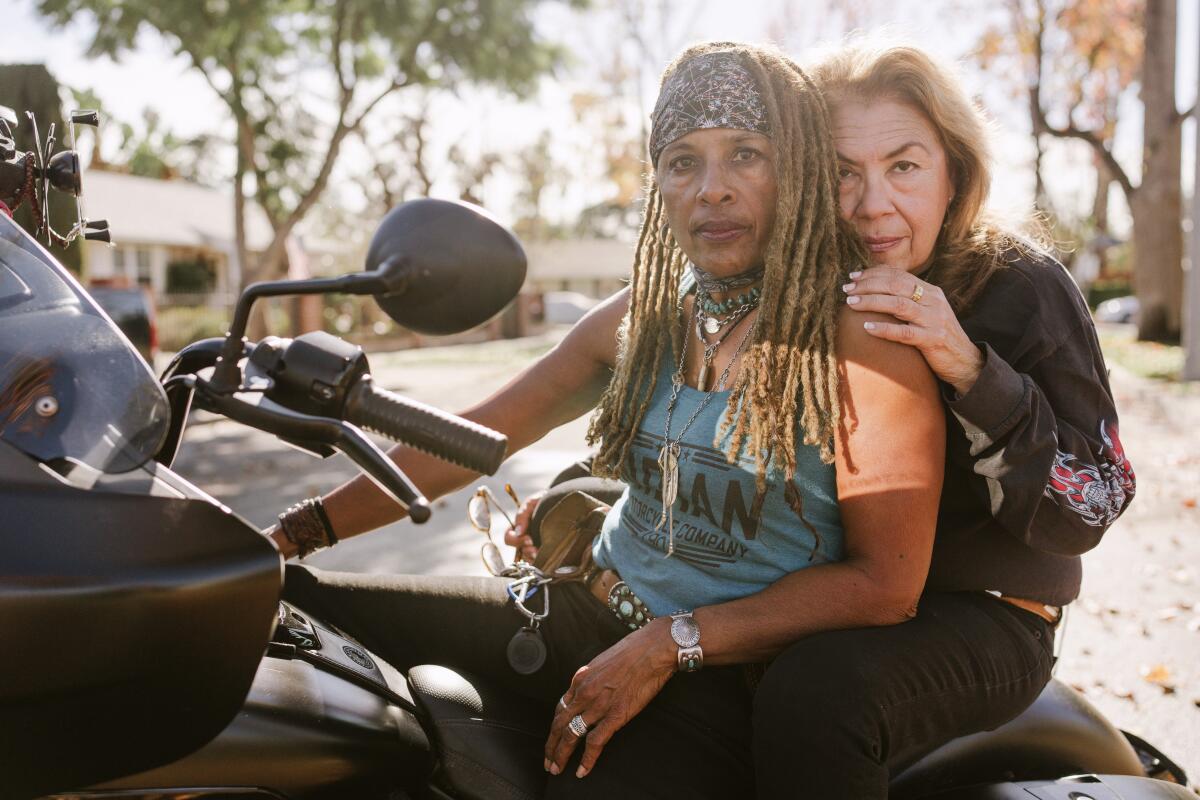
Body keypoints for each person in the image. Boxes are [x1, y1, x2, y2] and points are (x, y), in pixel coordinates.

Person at [273, 41, 946, 798]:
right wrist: (292, 534)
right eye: (683, 161)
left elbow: (887, 586)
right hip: (569, 616)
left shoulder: (865, 342)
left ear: (796, 170)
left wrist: (670, 643)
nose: (711, 190)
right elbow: (473, 438)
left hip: (711, 682)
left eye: (746, 155)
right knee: (281, 616)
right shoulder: (645, 316)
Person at [502, 43, 1138, 798]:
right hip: (828, 587)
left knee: (815, 695)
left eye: (903, 166)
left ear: (953, 172)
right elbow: (738, 435)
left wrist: (972, 372)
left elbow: (1092, 504)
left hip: (973, 613)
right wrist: (602, 494)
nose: (872, 205)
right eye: (842, 172)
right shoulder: (802, 282)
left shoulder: (1021, 286)